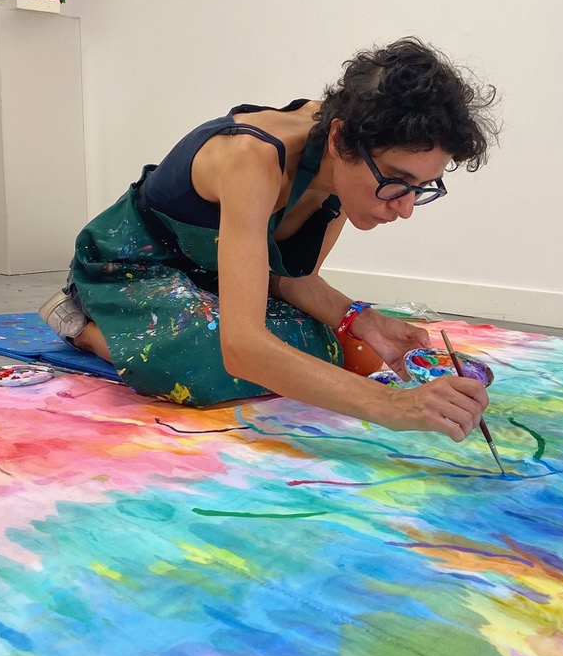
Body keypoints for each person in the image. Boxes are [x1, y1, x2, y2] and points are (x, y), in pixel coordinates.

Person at [40, 37, 495, 442]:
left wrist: (366, 321)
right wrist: (394, 406)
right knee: (209, 357)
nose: (406, 207)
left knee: (335, 350)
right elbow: (243, 349)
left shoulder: (342, 164)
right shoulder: (253, 157)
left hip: (211, 277)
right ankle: (82, 326)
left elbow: (291, 278)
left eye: (422, 187)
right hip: (131, 268)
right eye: (397, 181)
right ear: (340, 138)